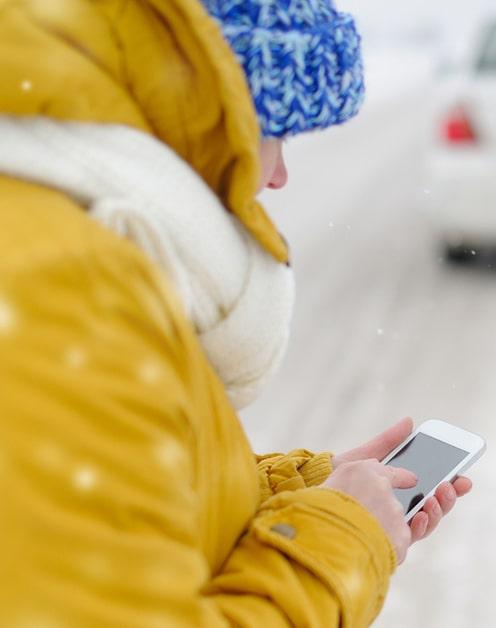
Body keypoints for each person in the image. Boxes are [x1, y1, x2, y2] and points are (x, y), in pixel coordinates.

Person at [0, 0, 469, 625]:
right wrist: (344, 538)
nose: (276, 177)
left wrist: (300, 494)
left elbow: (101, 516)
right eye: (275, 133)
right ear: (207, 114)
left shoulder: (61, 241)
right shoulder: (63, 289)